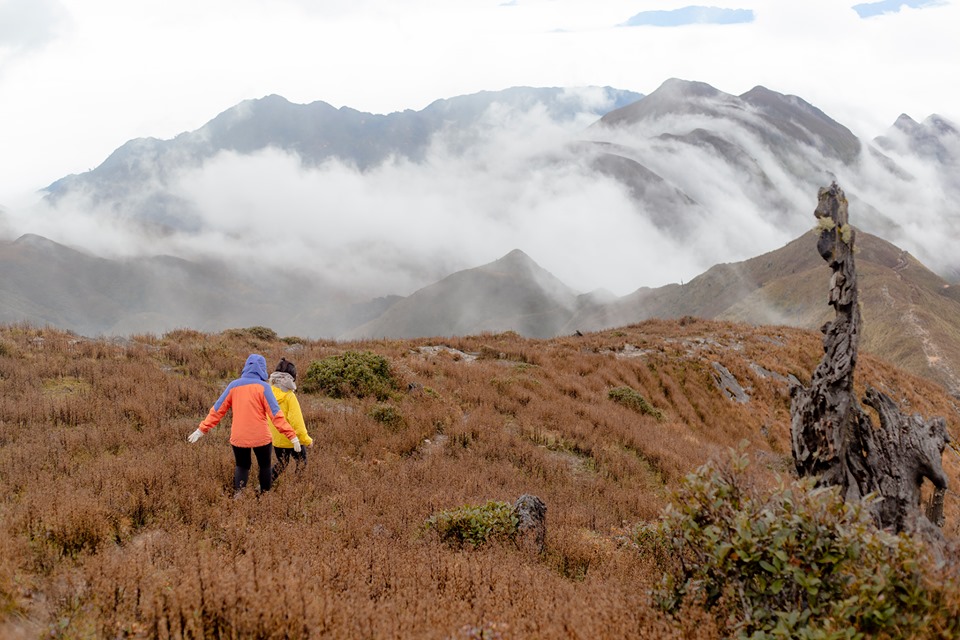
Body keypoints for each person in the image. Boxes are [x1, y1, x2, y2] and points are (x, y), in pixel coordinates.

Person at [188, 353, 300, 495]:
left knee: (242, 466)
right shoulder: (264, 387)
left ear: (246, 367)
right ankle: (264, 498)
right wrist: (292, 436)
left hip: (239, 436)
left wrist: (201, 430)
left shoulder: (233, 386)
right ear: (263, 369)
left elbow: (217, 410)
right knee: (265, 466)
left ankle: (238, 497)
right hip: (261, 437)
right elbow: (276, 415)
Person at [268, 357, 312, 482]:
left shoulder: (268, 391)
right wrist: (306, 440)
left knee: (282, 464)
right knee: (302, 462)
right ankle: (297, 488)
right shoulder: (289, 396)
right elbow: (297, 423)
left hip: (277, 439)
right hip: (292, 439)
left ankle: (263, 486)